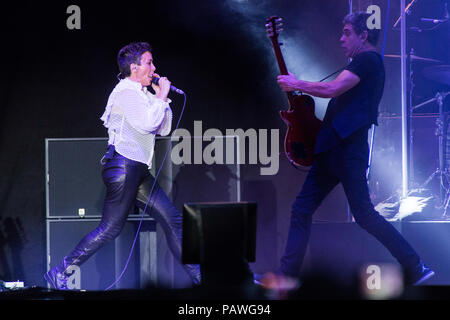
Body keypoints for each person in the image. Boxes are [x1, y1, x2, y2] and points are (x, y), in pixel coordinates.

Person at [259, 12, 434, 287]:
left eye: (347, 33)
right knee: (302, 209)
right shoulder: (361, 61)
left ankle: (415, 266)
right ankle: (286, 276)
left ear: (363, 36)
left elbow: (332, 89)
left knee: (364, 215)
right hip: (332, 149)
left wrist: (297, 83)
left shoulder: (368, 60)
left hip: (348, 150)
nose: (341, 39)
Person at [45, 42, 200, 289]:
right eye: (149, 63)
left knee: (172, 219)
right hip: (124, 166)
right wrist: (160, 97)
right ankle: (60, 271)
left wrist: (162, 97)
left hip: (138, 170)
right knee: (110, 229)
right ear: (134, 67)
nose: (154, 68)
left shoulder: (142, 94)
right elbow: (148, 124)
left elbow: (164, 127)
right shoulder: (125, 92)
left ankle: (201, 278)